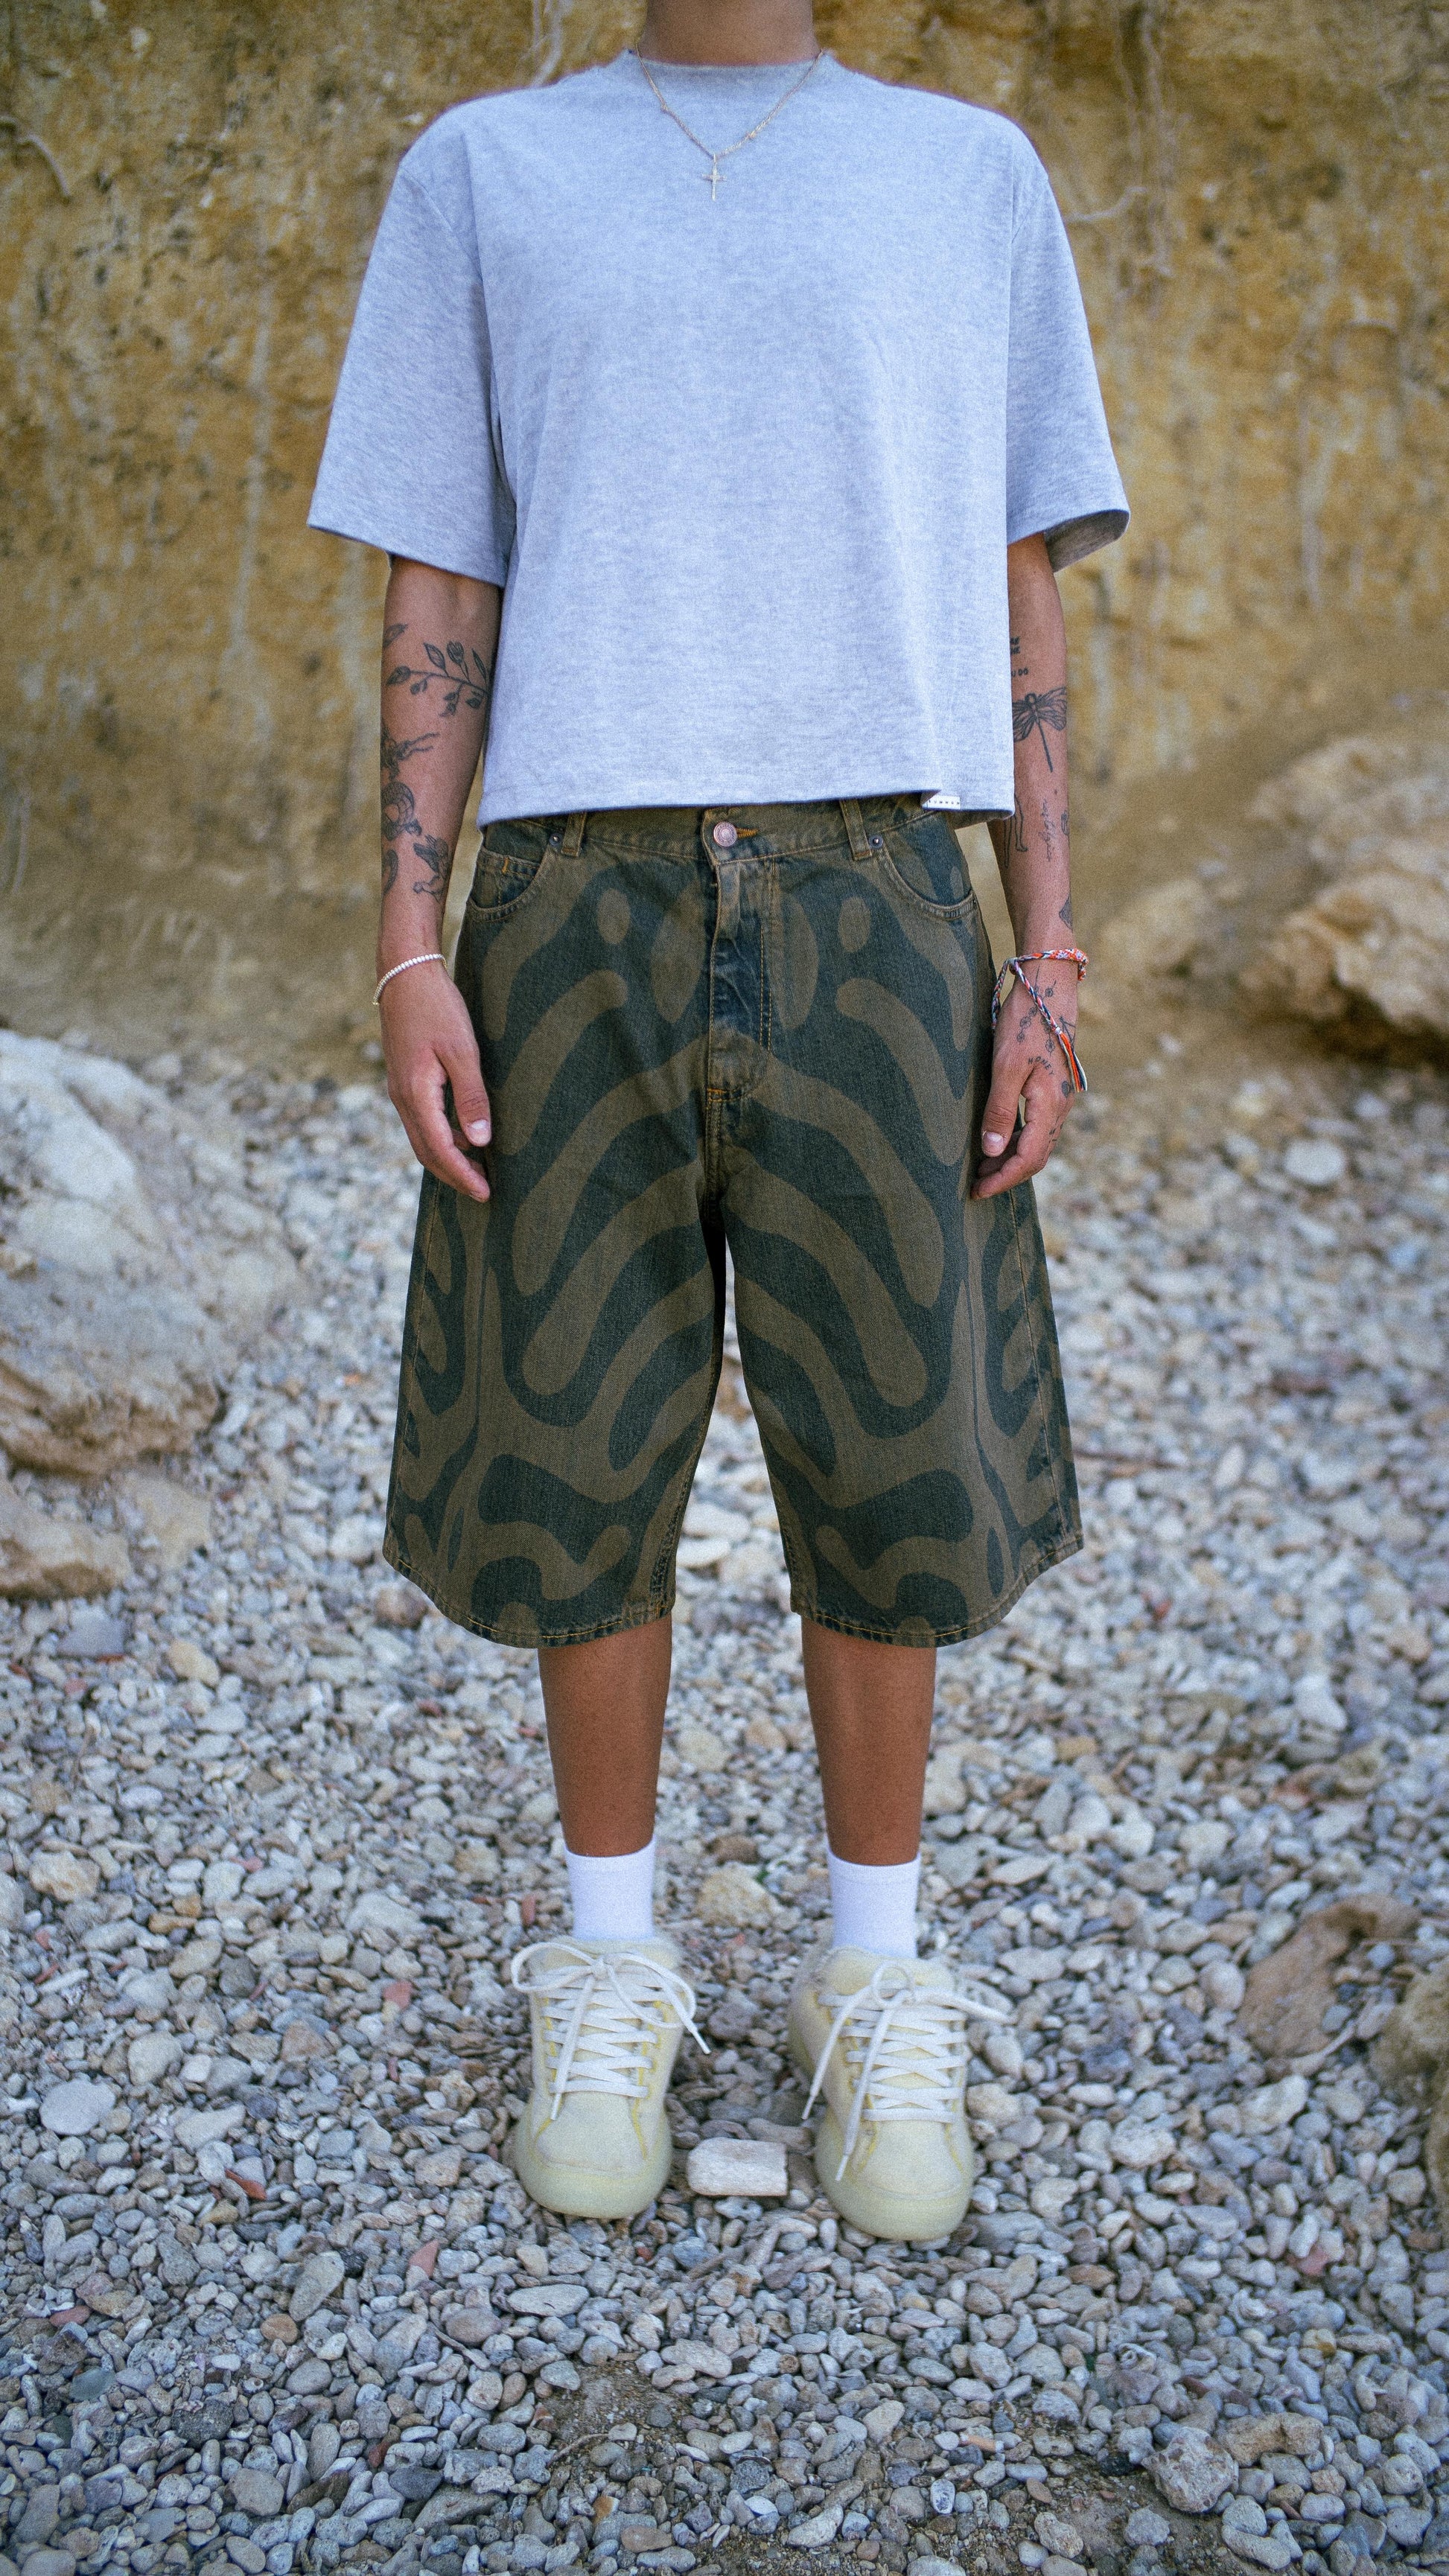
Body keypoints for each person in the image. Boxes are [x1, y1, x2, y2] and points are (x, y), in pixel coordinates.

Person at [308, 0, 1127, 2242]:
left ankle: (872, 1974)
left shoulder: (966, 179)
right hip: (570, 889)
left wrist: (1046, 942)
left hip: (887, 876)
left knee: (896, 1436)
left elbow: (1018, 576)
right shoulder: (485, 174)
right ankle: (609, 1961)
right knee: (573, 1428)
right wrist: (406, 940)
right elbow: (439, 580)